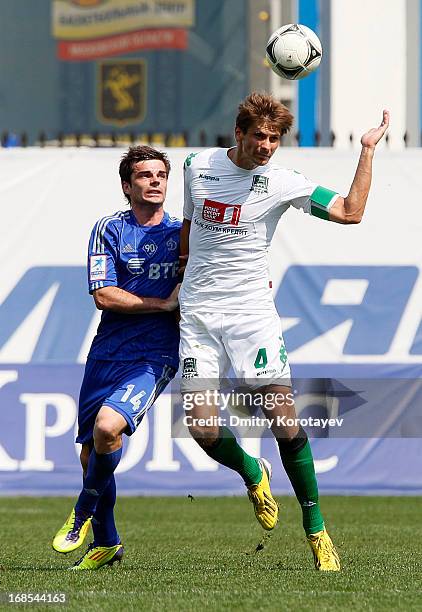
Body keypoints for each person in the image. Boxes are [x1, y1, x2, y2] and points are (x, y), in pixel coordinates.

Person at [179, 92, 389, 571]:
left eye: (274, 139)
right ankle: (253, 472)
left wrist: (367, 151)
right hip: (197, 314)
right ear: (239, 133)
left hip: (252, 314)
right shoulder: (197, 165)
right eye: (259, 136)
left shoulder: (282, 182)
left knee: (283, 420)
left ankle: (316, 530)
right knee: (202, 429)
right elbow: (190, 229)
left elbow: (349, 212)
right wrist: (179, 281)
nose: (267, 146)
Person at [52, 145, 181, 570]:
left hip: (156, 354)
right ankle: (107, 543)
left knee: (109, 428)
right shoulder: (109, 228)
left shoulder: (184, 233)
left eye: (161, 174)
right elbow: (104, 294)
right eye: (145, 175)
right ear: (127, 186)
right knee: (92, 453)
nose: (156, 180)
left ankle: (82, 510)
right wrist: (160, 304)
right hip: (107, 353)